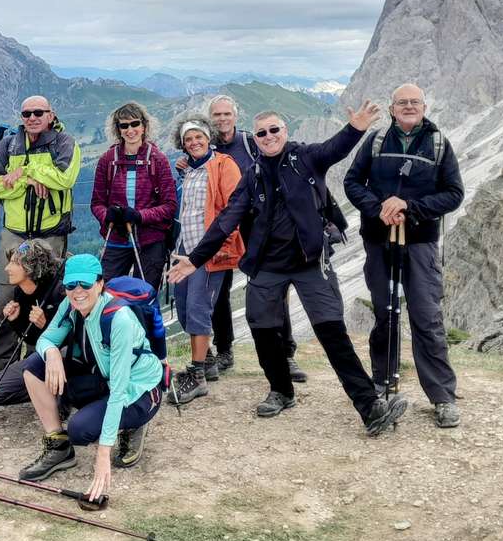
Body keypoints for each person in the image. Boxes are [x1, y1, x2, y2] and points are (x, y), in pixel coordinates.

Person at [168, 104, 410, 436]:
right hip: (267, 265)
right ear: (255, 139)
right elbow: (226, 220)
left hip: (310, 262)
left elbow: (334, 148)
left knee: (332, 333)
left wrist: (355, 128)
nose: (268, 137)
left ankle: (369, 407)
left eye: (274, 130)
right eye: (262, 133)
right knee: (262, 328)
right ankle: (281, 390)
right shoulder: (252, 176)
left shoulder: (307, 158)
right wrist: (195, 259)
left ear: (285, 132)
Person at [343, 83, 465, 428]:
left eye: (415, 102)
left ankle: (442, 395)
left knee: (426, 317)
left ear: (424, 106)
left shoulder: (439, 144)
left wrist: (410, 207)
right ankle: (382, 385)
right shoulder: (378, 141)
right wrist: (379, 207)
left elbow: (454, 194)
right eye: (402, 103)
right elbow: (353, 183)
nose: (409, 107)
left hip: (420, 243)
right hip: (379, 241)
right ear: (393, 108)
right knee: (386, 314)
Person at [18, 255, 164, 502]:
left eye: (85, 284)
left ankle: (134, 423)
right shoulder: (70, 305)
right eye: (71, 285)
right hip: (103, 378)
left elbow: (119, 390)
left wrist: (103, 455)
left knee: (80, 429)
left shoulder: (119, 319)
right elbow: (46, 339)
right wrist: (52, 352)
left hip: (137, 389)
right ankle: (58, 446)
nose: (78, 291)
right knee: (34, 367)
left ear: (100, 284)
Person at [181, 94, 305, 384]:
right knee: (219, 292)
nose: (222, 120)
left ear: (235, 116)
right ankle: (225, 350)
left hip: (258, 227)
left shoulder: (251, 142)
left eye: (226, 114)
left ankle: (286, 353)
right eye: (216, 115)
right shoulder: (206, 149)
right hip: (224, 229)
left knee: (272, 288)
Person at [0, 95, 82, 373]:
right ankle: (3, 368)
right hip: (15, 233)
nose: (32, 118)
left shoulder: (65, 143)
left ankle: (36, 362)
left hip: (50, 235)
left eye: (39, 112)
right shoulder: (7, 144)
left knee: (47, 299)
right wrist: (32, 181)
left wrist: (23, 172)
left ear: (51, 114)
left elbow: (64, 179)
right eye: (26, 113)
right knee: (7, 298)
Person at [165, 114, 243, 405]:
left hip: (210, 253)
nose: (194, 142)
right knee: (184, 309)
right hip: (185, 251)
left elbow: (234, 208)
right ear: (183, 145)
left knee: (198, 309)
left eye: (199, 136)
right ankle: (207, 361)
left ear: (208, 137)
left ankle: (196, 376)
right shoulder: (190, 170)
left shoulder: (224, 165)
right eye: (188, 139)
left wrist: (222, 244)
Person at [91, 102, 177, 287]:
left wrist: (139, 216)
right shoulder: (107, 160)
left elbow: (170, 206)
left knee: (144, 295)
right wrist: (108, 215)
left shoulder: (157, 159)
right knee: (105, 292)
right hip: (116, 236)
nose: (130, 130)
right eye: (124, 125)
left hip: (150, 240)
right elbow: (97, 202)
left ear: (144, 126)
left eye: (135, 124)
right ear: (118, 129)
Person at [0, 239, 67, 406]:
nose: (7, 268)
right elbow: (31, 339)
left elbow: (72, 339)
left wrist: (46, 326)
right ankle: (45, 389)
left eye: (13, 263)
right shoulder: (20, 292)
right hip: (42, 357)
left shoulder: (58, 291)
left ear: (29, 267)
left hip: (65, 357)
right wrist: (17, 320)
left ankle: (63, 391)